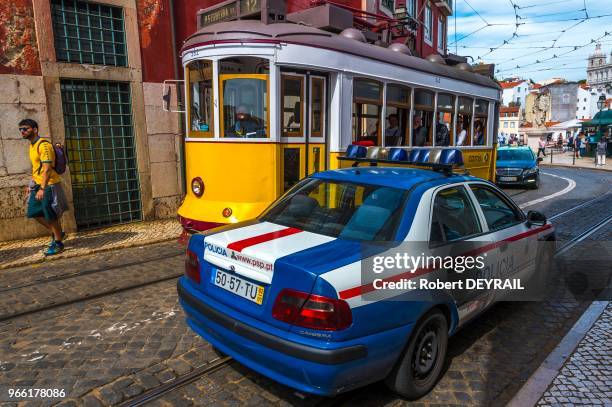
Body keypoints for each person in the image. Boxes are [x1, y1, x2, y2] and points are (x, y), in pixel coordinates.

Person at [20, 119, 68, 256]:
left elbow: (47, 169)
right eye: (21, 129)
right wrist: (31, 185)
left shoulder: (44, 145)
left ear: (35, 129)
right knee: (34, 212)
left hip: (49, 185)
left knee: (50, 215)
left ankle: (58, 243)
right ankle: (58, 233)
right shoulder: (32, 145)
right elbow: (37, 168)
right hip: (38, 184)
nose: (22, 131)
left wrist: (42, 188)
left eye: (25, 129)